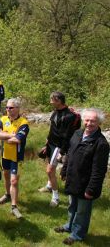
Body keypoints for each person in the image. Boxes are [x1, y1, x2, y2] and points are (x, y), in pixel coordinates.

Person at [55, 108, 109, 245]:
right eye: (87, 120)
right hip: (73, 179)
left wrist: (91, 189)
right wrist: (64, 170)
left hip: (87, 183)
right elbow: (70, 154)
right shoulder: (77, 133)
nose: (89, 123)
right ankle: (69, 226)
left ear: (99, 123)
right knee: (72, 205)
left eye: (93, 121)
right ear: (83, 120)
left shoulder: (101, 143)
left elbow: (99, 170)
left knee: (82, 212)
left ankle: (77, 234)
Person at [38, 91, 79, 207]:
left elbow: (68, 136)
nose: (50, 101)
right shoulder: (55, 112)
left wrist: (62, 151)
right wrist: (46, 143)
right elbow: (52, 129)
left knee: (50, 170)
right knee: (49, 165)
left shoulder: (69, 116)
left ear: (59, 101)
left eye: (52, 99)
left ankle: (55, 198)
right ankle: (49, 186)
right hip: (51, 143)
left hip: (59, 146)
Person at [0, 98, 29, 219]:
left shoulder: (23, 123)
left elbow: (17, 140)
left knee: (14, 181)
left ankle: (14, 207)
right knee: (6, 176)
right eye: (7, 108)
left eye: (11, 108)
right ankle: (7, 194)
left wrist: (4, 136)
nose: (8, 110)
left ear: (17, 109)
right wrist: (10, 135)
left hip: (16, 157)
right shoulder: (3, 119)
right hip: (4, 155)